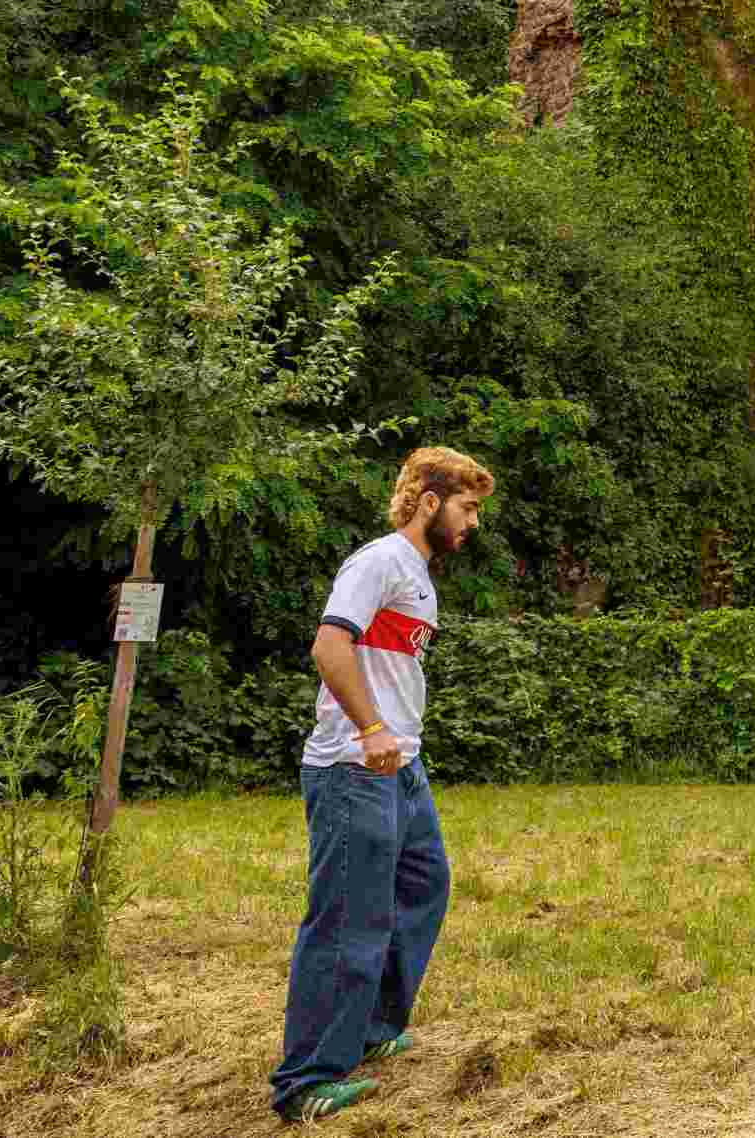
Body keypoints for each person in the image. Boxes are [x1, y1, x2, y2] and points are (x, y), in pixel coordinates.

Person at [272, 446, 494, 1123]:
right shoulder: (377, 562)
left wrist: (394, 740)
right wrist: (370, 728)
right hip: (353, 763)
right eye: (467, 506)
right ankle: (308, 1079)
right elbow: (329, 645)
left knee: (424, 884)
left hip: (401, 766)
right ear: (430, 501)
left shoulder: (420, 577)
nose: (473, 522)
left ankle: (369, 1030)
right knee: (347, 915)